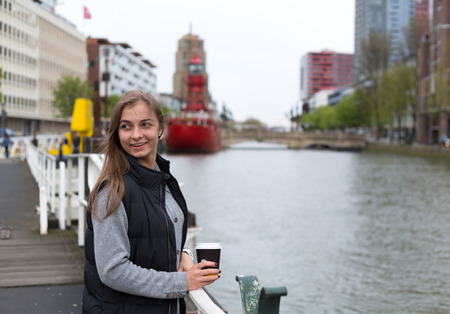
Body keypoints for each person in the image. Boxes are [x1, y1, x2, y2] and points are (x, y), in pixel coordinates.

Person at [82, 90, 220, 314]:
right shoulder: (112, 192)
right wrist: (183, 282)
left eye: (145, 124)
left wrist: (184, 253)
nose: (136, 135)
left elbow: (156, 235)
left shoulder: (162, 180)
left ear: (160, 128)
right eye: (126, 126)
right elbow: (113, 270)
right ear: (117, 133)